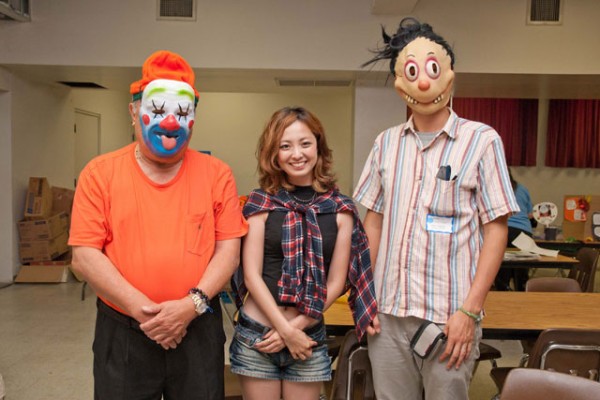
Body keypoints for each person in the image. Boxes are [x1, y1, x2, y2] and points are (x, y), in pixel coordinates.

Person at [354, 18, 519, 399]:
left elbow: (496, 230)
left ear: (449, 74)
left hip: (450, 317)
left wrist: (470, 312)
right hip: (389, 316)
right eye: (412, 72)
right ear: (400, 83)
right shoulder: (386, 144)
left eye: (431, 70)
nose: (423, 83)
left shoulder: (481, 141)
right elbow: (373, 223)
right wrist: (365, 298)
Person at [69, 50, 248, 400]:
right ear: (134, 111)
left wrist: (188, 307)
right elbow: (84, 256)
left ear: (194, 117)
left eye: (181, 112)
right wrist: (148, 314)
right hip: (123, 331)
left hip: (196, 327)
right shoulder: (99, 173)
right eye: (157, 109)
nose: (169, 123)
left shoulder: (217, 174)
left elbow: (229, 251)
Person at [229, 107, 379, 400]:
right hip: (258, 334)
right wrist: (285, 330)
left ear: (319, 148)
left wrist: (295, 330)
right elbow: (251, 275)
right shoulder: (260, 204)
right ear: (274, 154)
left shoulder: (340, 209)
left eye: (305, 143)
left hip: (306, 335)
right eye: (285, 146)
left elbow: (335, 283)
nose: (296, 153)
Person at [495, 169, 536, 291]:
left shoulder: (495, 189)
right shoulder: (522, 189)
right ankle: (522, 297)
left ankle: (503, 293)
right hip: (524, 231)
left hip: (502, 231)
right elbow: (531, 214)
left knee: (502, 270)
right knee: (521, 272)